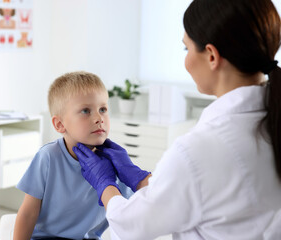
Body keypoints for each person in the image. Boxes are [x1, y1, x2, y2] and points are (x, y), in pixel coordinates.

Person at [73, 0, 281, 239]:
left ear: (212, 55)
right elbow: (204, 194)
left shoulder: (200, 149)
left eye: (186, 49)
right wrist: (142, 180)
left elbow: (133, 225)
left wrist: (105, 185)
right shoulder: (269, 121)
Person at [13, 71, 132, 240]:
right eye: (86, 111)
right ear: (60, 124)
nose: (99, 118)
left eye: (103, 109)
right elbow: (28, 213)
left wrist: (132, 175)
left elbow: (130, 214)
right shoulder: (48, 157)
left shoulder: (116, 162)